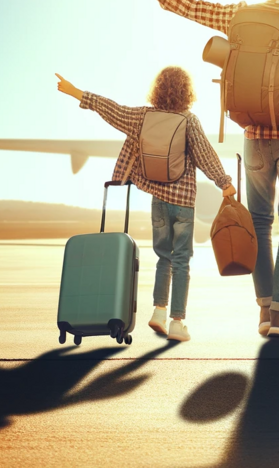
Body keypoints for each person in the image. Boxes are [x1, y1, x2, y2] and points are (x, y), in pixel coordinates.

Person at [117, 0, 279, 340]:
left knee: (259, 221)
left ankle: (264, 310)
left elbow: (189, 7)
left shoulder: (241, 15)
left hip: (254, 135)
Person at [55, 67, 235, 343]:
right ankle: (177, 322)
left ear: (158, 89)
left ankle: (159, 312)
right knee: (181, 260)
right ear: (187, 92)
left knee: (164, 257)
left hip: (158, 200)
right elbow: (205, 156)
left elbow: (110, 109)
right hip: (184, 202)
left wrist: (76, 92)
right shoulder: (189, 121)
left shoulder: (141, 116)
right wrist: (224, 183)